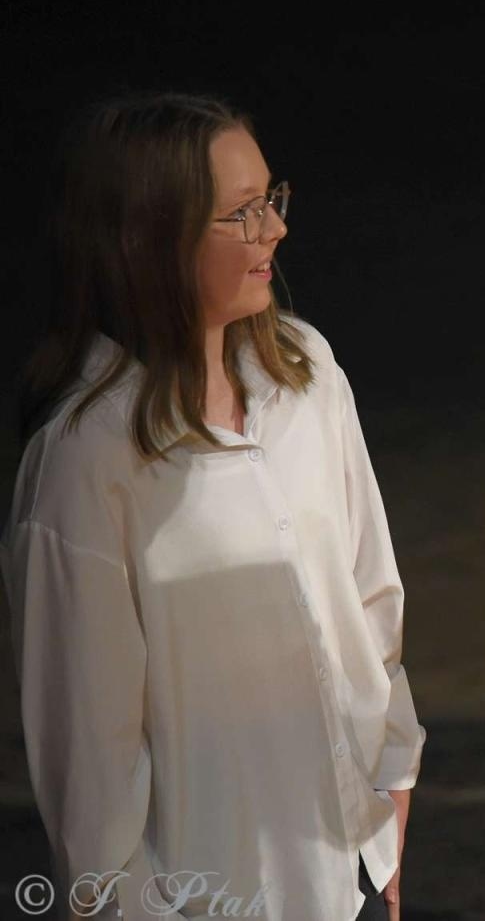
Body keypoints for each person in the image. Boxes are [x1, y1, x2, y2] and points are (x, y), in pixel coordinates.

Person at [1, 93, 424, 921]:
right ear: (145, 241)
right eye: (241, 213)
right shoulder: (88, 463)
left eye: (272, 198)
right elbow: (89, 762)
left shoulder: (306, 373)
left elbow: (370, 595)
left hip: (356, 872)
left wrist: (392, 787)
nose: (276, 229)